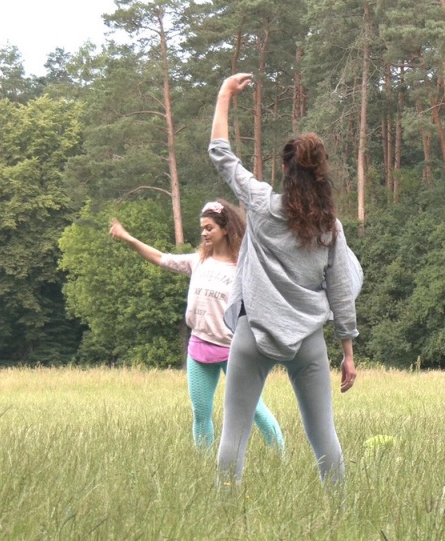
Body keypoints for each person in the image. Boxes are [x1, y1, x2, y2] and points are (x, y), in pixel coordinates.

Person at [209, 73, 359, 487]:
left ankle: (225, 513)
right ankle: (342, 511)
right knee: (323, 435)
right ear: (321, 173)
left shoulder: (259, 203)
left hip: (252, 334)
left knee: (233, 435)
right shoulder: (330, 227)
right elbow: (341, 291)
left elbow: (220, 154)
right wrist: (347, 351)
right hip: (307, 340)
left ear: (286, 168)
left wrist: (224, 94)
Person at [109, 202, 285, 452]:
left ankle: (281, 457)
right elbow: (160, 258)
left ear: (225, 229)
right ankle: (204, 464)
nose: (203, 233)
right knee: (201, 413)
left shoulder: (244, 267)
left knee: (254, 409)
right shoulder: (198, 261)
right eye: (202, 228)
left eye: (209, 227)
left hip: (234, 349)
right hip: (199, 346)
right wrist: (129, 239)